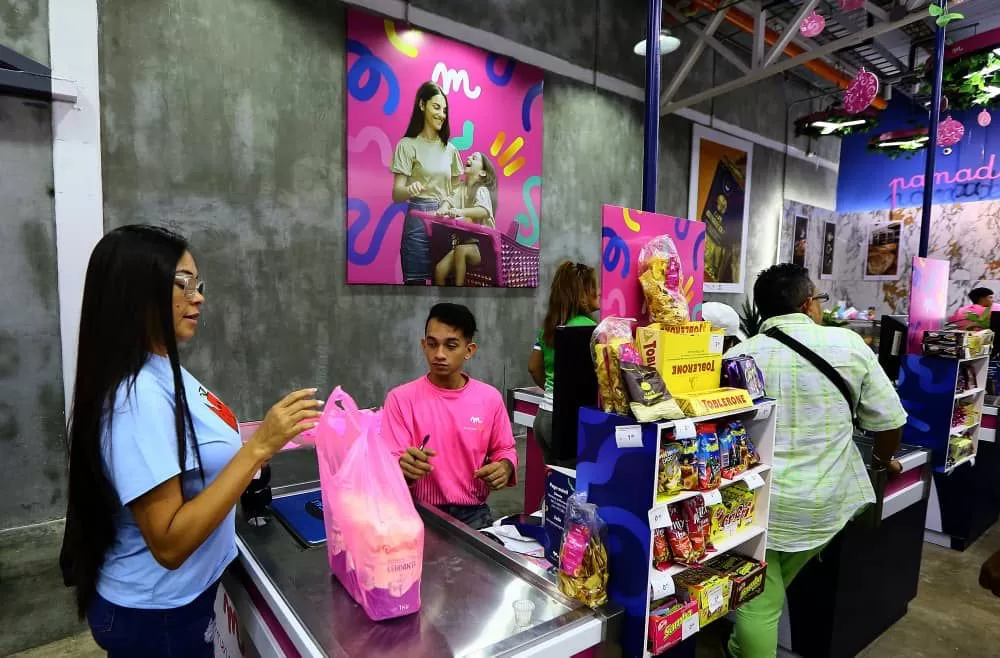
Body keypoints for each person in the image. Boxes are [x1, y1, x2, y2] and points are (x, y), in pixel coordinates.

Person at [59, 226, 322, 658]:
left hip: (183, 600)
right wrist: (259, 446)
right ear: (135, 291)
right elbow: (169, 542)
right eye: (182, 283)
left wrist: (255, 449)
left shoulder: (162, 365)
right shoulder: (136, 397)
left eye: (198, 284)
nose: (197, 298)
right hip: (158, 614)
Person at [723, 264, 906, 658]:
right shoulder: (848, 345)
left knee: (760, 598)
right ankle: (739, 647)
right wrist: (881, 461)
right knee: (770, 586)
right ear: (808, 304)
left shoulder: (737, 356)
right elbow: (890, 421)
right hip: (825, 503)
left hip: (758, 506)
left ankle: (742, 648)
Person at [384, 303, 518, 529]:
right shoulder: (400, 399)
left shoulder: (489, 398)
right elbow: (388, 460)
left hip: (474, 512)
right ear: (423, 345)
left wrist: (505, 467)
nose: (439, 354)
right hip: (415, 511)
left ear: (469, 350)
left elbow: (505, 448)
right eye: (432, 344)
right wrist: (402, 468)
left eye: (451, 346)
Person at [391, 81, 464, 285]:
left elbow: (457, 189)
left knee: (447, 286)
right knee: (415, 286)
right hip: (417, 224)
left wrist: (447, 204)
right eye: (436, 107)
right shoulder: (407, 145)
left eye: (445, 110)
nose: (442, 114)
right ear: (422, 105)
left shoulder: (450, 150)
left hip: (445, 223)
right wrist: (409, 189)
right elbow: (396, 194)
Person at [527, 262, 599, 464]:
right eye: (594, 287)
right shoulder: (591, 330)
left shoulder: (549, 328)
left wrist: (554, 390)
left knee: (554, 480)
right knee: (572, 480)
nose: (599, 292)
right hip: (568, 422)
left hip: (543, 416)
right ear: (582, 294)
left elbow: (533, 367)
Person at [433, 151, 499, 287]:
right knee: (440, 270)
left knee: (461, 250)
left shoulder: (481, 190)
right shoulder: (461, 188)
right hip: (464, 245)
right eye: (470, 156)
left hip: (484, 247)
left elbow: (484, 211)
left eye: (474, 158)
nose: (469, 157)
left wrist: (460, 211)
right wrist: (443, 209)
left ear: (482, 173)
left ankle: (459, 292)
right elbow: (450, 200)